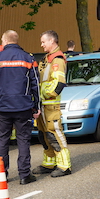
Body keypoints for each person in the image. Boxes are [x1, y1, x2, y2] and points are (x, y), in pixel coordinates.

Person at [0, 30, 40, 185]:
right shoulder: (28, 58)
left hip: (2, 106)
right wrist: (36, 105)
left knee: (2, 140)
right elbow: (35, 84)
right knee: (23, 140)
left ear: (5, 41)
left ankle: (2, 174)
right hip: (23, 106)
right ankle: (24, 175)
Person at [33, 30, 71, 177]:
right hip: (43, 104)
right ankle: (49, 163)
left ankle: (64, 166)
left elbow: (59, 83)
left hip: (50, 104)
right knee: (44, 135)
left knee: (55, 134)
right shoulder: (46, 59)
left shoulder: (57, 59)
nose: (41, 45)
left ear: (52, 41)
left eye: (43, 42)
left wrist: (44, 94)